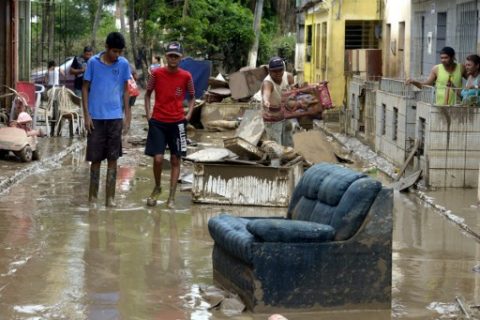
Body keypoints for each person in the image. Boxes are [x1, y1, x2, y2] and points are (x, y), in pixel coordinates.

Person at [82, 32, 131, 207]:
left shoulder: (123, 64)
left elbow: (126, 90)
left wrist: (128, 115)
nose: (117, 55)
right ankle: (93, 198)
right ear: (107, 48)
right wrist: (86, 115)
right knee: (95, 159)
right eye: (114, 51)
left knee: (113, 158)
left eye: (119, 52)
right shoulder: (93, 63)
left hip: (115, 117)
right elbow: (85, 88)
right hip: (96, 118)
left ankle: (110, 198)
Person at [144, 41, 195, 208]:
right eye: (171, 55)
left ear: (181, 58)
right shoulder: (156, 74)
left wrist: (188, 115)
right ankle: (157, 187)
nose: (173, 59)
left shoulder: (186, 76)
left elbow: (192, 97)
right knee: (158, 159)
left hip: (178, 123)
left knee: (175, 159)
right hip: (158, 121)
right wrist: (148, 115)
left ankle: (171, 197)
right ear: (166, 56)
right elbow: (147, 94)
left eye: (176, 56)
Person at [261, 56, 294, 146]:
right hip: (272, 118)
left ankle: (288, 159)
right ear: (269, 71)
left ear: (283, 69)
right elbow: (266, 93)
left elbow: (295, 91)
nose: (278, 73)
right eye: (274, 71)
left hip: (286, 114)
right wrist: (266, 101)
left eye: (280, 70)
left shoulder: (289, 77)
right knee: (275, 147)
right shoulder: (268, 82)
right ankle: (275, 160)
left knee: (288, 143)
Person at [123, 62, 138, 134]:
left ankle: (124, 126)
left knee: (123, 108)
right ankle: (128, 125)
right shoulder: (131, 65)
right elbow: (136, 77)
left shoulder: (117, 65)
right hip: (133, 90)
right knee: (129, 108)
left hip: (125, 90)